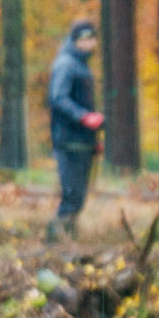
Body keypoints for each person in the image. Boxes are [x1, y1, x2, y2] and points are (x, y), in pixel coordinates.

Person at [44, 19, 105, 241]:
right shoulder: (66, 64)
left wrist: (93, 139)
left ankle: (68, 240)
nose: (89, 43)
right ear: (75, 40)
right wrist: (84, 117)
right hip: (68, 142)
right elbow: (58, 98)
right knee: (71, 195)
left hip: (83, 143)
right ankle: (54, 240)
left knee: (78, 197)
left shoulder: (82, 66)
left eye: (92, 38)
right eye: (84, 38)